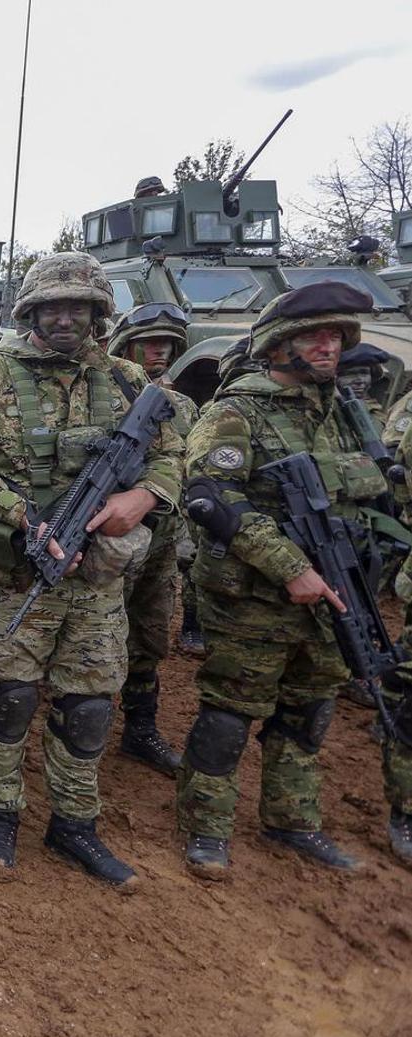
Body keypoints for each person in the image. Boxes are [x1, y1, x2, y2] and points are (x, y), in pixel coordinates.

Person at [0, 252, 182, 890]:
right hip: (17, 577)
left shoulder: (129, 379)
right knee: (8, 699)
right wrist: (25, 516)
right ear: (32, 313)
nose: (66, 318)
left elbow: (173, 454)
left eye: (78, 307)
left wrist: (144, 496)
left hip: (98, 583)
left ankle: (75, 823)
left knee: (89, 705)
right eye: (53, 308)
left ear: (98, 313)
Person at [177, 282, 408, 877]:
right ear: (280, 346)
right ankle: (205, 827)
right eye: (314, 336)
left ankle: (293, 820)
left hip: (340, 588)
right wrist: (291, 567)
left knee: (310, 708)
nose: (328, 346)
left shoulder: (345, 414)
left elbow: (375, 494)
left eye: (335, 336)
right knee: (230, 712)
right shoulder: (237, 411)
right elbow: (209, 496)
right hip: (253, 597)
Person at [105, 303, 200, 775]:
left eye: (166, 343)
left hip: (160, 537)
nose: (158, 350)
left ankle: (140, 728)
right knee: (97, 636)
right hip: (110, 538)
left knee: (149, 633)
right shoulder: (106, 393)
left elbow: (189, 466)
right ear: (126, 347)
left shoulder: (183, 407)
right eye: (148, 343)